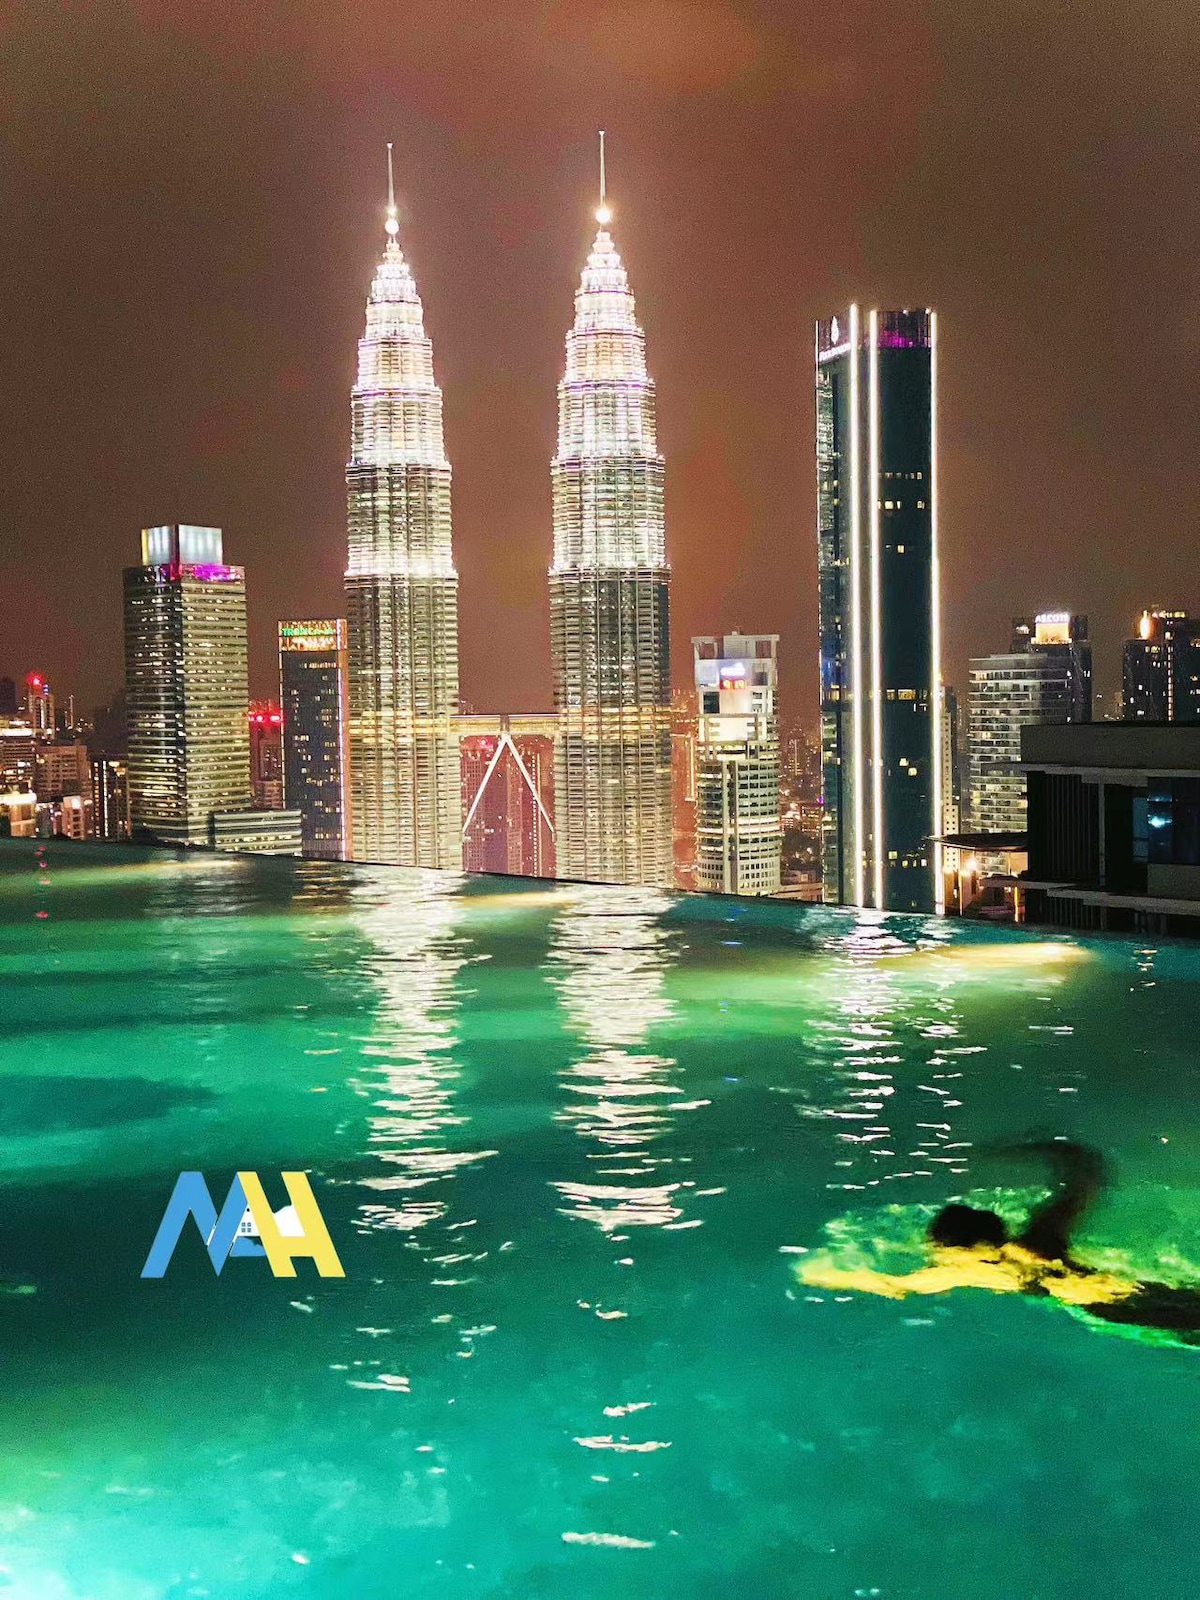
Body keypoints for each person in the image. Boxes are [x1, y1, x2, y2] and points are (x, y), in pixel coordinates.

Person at [798, 1140, 1200, 1341]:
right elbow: (1085, 1178)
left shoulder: (1000, 1265)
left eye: (946, 1253)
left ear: (980, 1250)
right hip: (1130, 1290)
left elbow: (899, 1286)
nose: (938, 1258)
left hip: (1116, 1308)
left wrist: (828, 1276)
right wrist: (1044, 1147)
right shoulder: (1036, 1238)